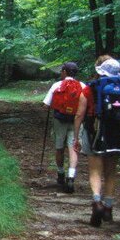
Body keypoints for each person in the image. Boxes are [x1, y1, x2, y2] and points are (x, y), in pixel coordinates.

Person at [74, 55, 120, 226]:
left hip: (95, 132)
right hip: (116, 134)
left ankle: (96, 203)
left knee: (95, 171)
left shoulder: (89, 89)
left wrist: (77, 136)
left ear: (99, 71)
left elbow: (80, 114)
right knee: (110, 171)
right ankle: (108, 207)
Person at [42, 62, 84, 193]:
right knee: (73, 148)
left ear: (65, 71)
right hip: (76, 121)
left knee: (59, 147)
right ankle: (71, 176)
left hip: (59, 120)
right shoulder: (82, 86)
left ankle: (61, 174)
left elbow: (46, 104)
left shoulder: (57, 85)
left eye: (62, 70)